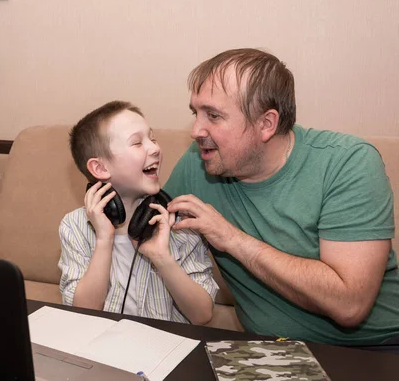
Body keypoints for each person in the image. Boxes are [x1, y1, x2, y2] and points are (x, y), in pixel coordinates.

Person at [164, 48, 399, 346]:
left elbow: (349, 305)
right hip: (269, 354)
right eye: (195, 113)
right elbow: (144, 229)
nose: (196, 130)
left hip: (374, 352)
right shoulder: (199, 163)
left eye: (213, 115)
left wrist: (231, 238)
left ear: (266, 124)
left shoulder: (348, 163)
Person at [58, 100, 219, 324]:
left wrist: (161, 257)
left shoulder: (179, 224)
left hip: (166, 348)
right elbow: (85, 313)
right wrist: (104, 239)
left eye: (152, 139)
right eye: (137, 143)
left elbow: (202, 315)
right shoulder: (75, 226)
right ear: (100, 168)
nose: (155, 148)